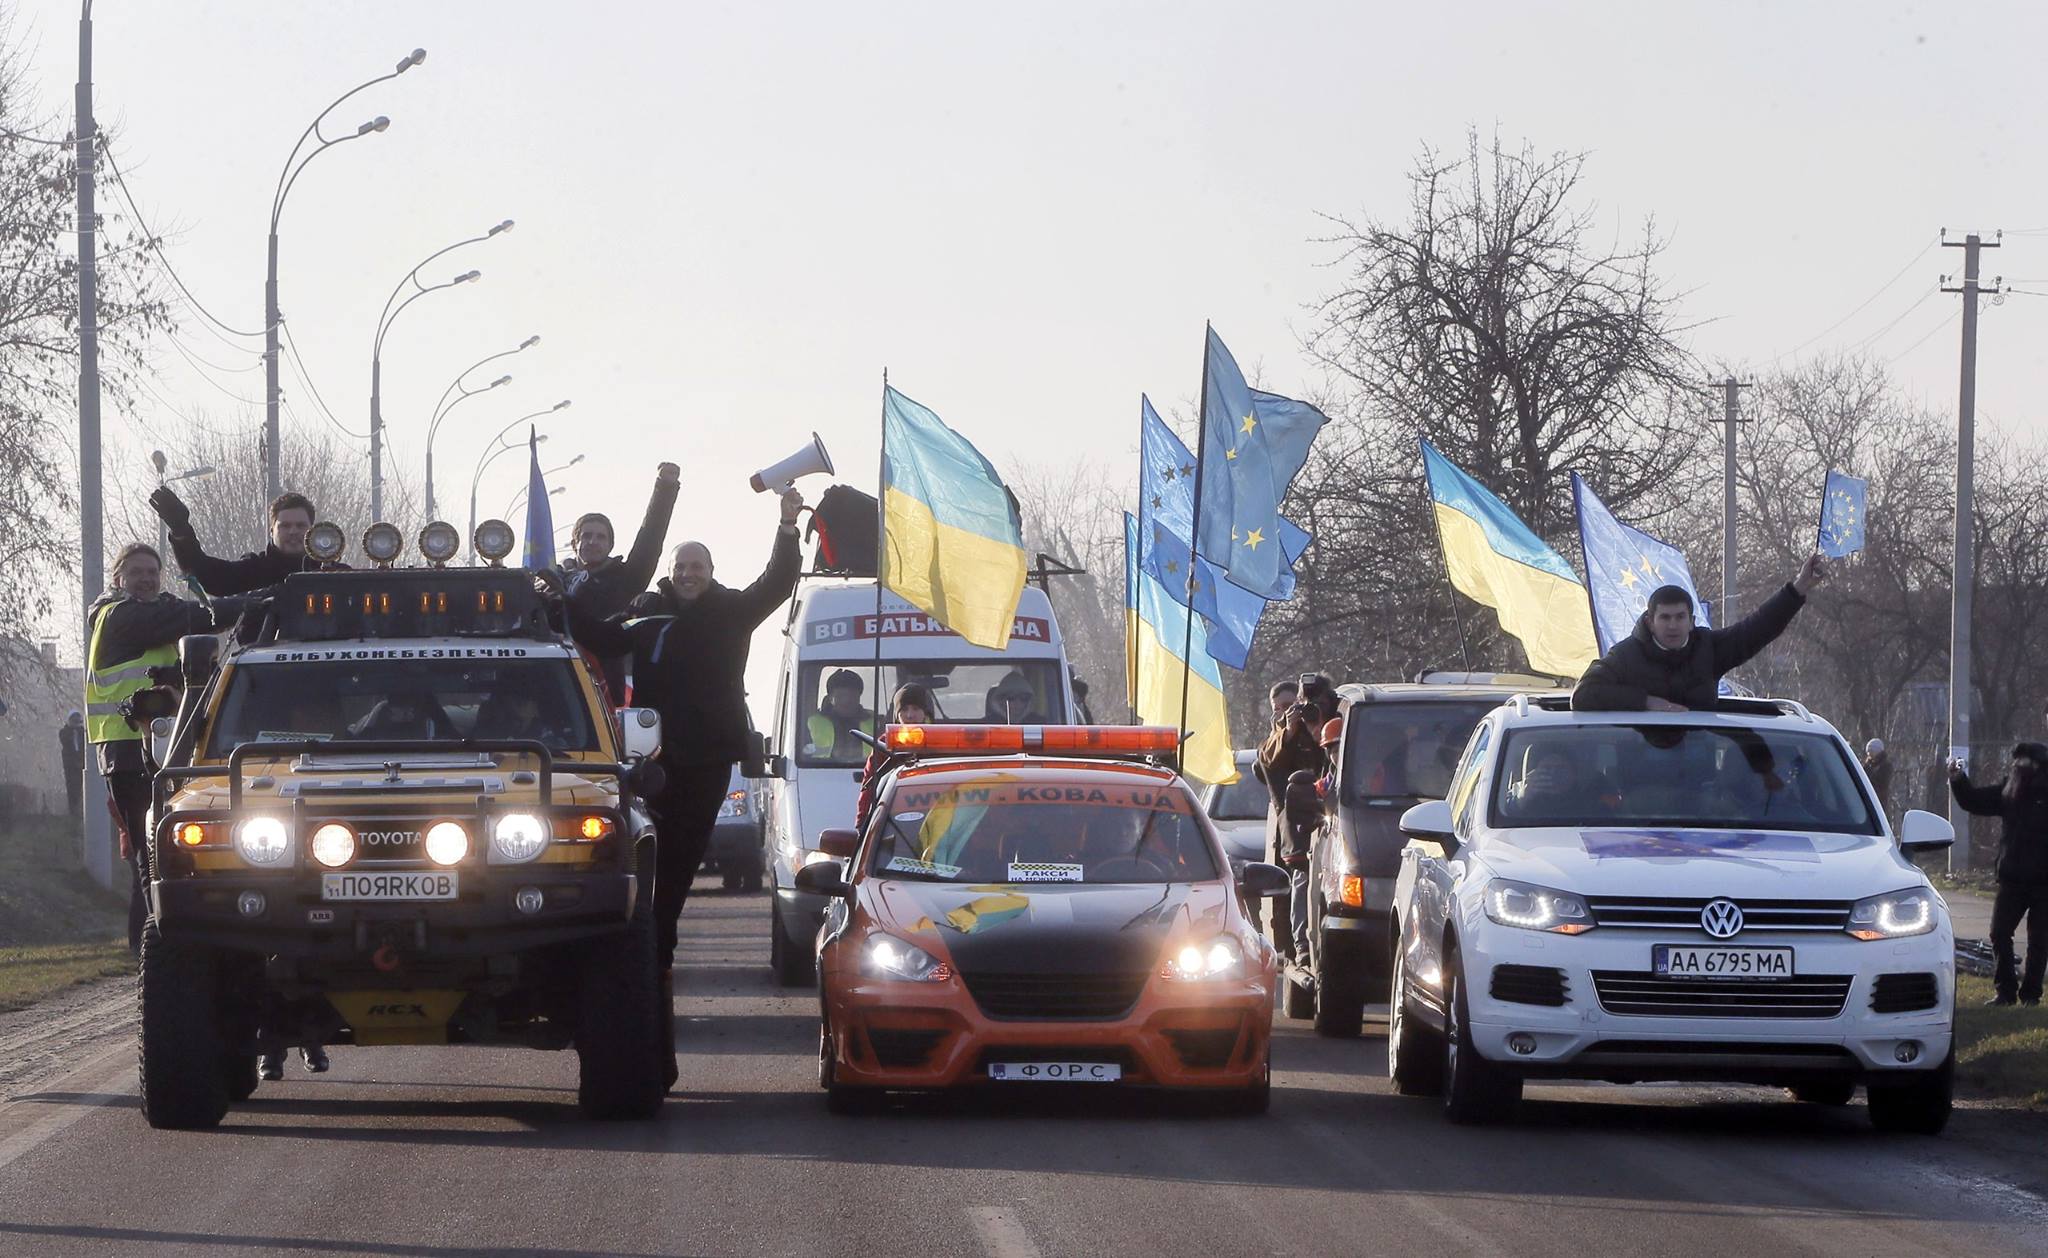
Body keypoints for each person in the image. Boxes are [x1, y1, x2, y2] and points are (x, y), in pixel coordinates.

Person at [566, 489, 804, 990]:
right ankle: (642, 951)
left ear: (711, 572)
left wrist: (787, 527)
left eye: (697, 567)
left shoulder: (731, 610)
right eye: (681, 567)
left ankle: (659, 952)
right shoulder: (647, 611)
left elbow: (778, 582)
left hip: (708, 760)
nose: (688, 574)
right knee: (644, 856)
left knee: (680, 862)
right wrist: (558, 604)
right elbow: (603, 638)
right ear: (670, 572)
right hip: (652, 759)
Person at [85, 544, 248, 954]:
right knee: (151, 853)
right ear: (118, 579)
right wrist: (256, 602)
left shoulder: (154, 612)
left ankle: (153, 947)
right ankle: (156, 948)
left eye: (152, 572)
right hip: (128, 750)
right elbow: (195, 616)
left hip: (162, 748)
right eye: (136, 572)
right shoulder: (119, 615)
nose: (146, 579)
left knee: (160, 854)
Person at [1572, 555, 1832, 712]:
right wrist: (1646, 702)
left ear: (1692, 622)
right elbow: (1583, 695)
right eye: (1665, 618)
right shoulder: (1625, 655)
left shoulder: (1709, 648)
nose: (1672, 625)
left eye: (1680, 617)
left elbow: (1758, 628)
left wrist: (1799, 587)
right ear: (1650, 622)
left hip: (1703, 772)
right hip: (1638, 769)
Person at [549, 464, 680, 704]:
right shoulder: (555, 581)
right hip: (558, 685)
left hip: (606, 689)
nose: (593, 542)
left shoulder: (626, 579)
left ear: (610, 545)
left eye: (601, 537)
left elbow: (650, 537)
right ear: (574, 543)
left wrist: (665, 487)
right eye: (586, 536)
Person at [1951, 745, 2048, 1006]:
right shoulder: (2010, 791)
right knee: (1999, 933)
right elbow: (1974, 801)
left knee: (2039, 941)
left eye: (2022, 761)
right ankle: (2005, 992)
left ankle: (2031, 996)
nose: (2016, 766)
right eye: (2015, 761)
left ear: (2037, 765)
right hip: (2012, 878)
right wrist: (1958, 779)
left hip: (2044, 882)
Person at [1256, 674, 1331, 962]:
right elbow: (1268, 759)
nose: (1286, 711)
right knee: (1303, 877)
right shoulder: (1280, 737)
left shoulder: (1328, 723)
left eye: (1290, 705)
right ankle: (1302, 946)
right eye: (1278, 708)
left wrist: (1317, 730)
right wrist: (1289, 731)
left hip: (1336, 816)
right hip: (1300, 823)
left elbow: (1337, 759)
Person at [150, 489, 344, 596]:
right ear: (271, 531)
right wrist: (182, 531)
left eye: (300, 525)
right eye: (285, 526)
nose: (293, 531)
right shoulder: (253, 571)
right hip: (261, 656)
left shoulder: (338, 576)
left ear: (312, 530)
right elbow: (206, 574)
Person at [856, 682, 936, 833]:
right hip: (893, 821)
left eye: (916, 708)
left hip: (935, 818)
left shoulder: (942, 741)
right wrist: (862, 824)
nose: (910, 715)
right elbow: (869, 785)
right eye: (904, 709)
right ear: (896, 715)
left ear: (926, 712)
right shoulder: (885, 744)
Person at [1281, 769, 1321, 966]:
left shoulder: (1346, 769)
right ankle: (1303, 943)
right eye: (1332, 753)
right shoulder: (1310, 779)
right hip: (1308, 836)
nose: (1334, 755)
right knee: (1303, 878)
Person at [806, 668, 878, 762]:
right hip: (819, 771)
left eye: (851, 696)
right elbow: (803, 754)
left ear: (859, 697)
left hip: (869, 771)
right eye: (840, 696)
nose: (846, 701)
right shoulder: (813, 723)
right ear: (830, 698)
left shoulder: (875, 723)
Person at [58, 711, 85, 818]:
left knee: (81, 786)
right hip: (70, 765)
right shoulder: (64, 732)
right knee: (72, 787)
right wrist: (72, 730)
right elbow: (66, 742)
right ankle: (73, 811)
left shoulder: (82, 732)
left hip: (81, 763)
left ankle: (82, 809)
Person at [1863, 738, 1894, 820]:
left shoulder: (1886, 766)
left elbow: (1883, 783)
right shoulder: (1867, 766)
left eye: (1871, 751)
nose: (1869, 754)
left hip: (1879, 800)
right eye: (1868, 752)